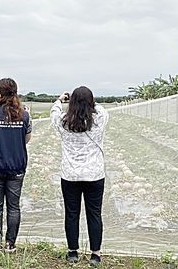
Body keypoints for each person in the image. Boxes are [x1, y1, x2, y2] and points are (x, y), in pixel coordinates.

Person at [50, 86, 109, 267]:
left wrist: (61, 100)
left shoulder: (63, 122)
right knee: (94, 214)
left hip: (70, 175)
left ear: (72, 102)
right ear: (91, 102)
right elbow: (99, 108)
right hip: (94, 175)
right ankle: (95, 254)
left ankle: (72, 252)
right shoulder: (100, 118)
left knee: (72, 213)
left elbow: (54, 112)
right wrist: (88, 102)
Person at [0, 78, 32, 253]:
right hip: (16, 167)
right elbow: (26, 139)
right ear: (16, 92)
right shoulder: (25, 114)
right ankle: (10, 244)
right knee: (14, 206)